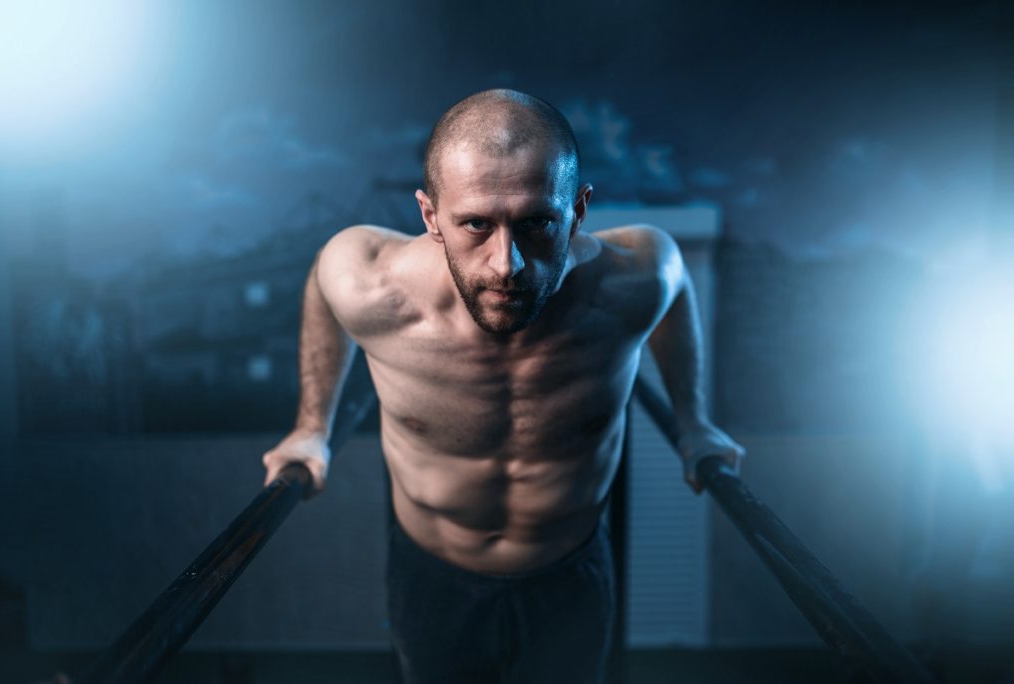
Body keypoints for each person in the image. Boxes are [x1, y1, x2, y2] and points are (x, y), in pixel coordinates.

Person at [262, 88, 744, 683]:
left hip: (570, 571)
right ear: (430, 216)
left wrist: (693, 421)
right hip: (433, 575)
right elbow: (321, 289)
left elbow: (673, 296)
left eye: (537, 222)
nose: (506, 264)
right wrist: (313, 427)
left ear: (579, 210)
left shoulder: (635, 278)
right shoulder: (372, 285)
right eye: (474, 224)